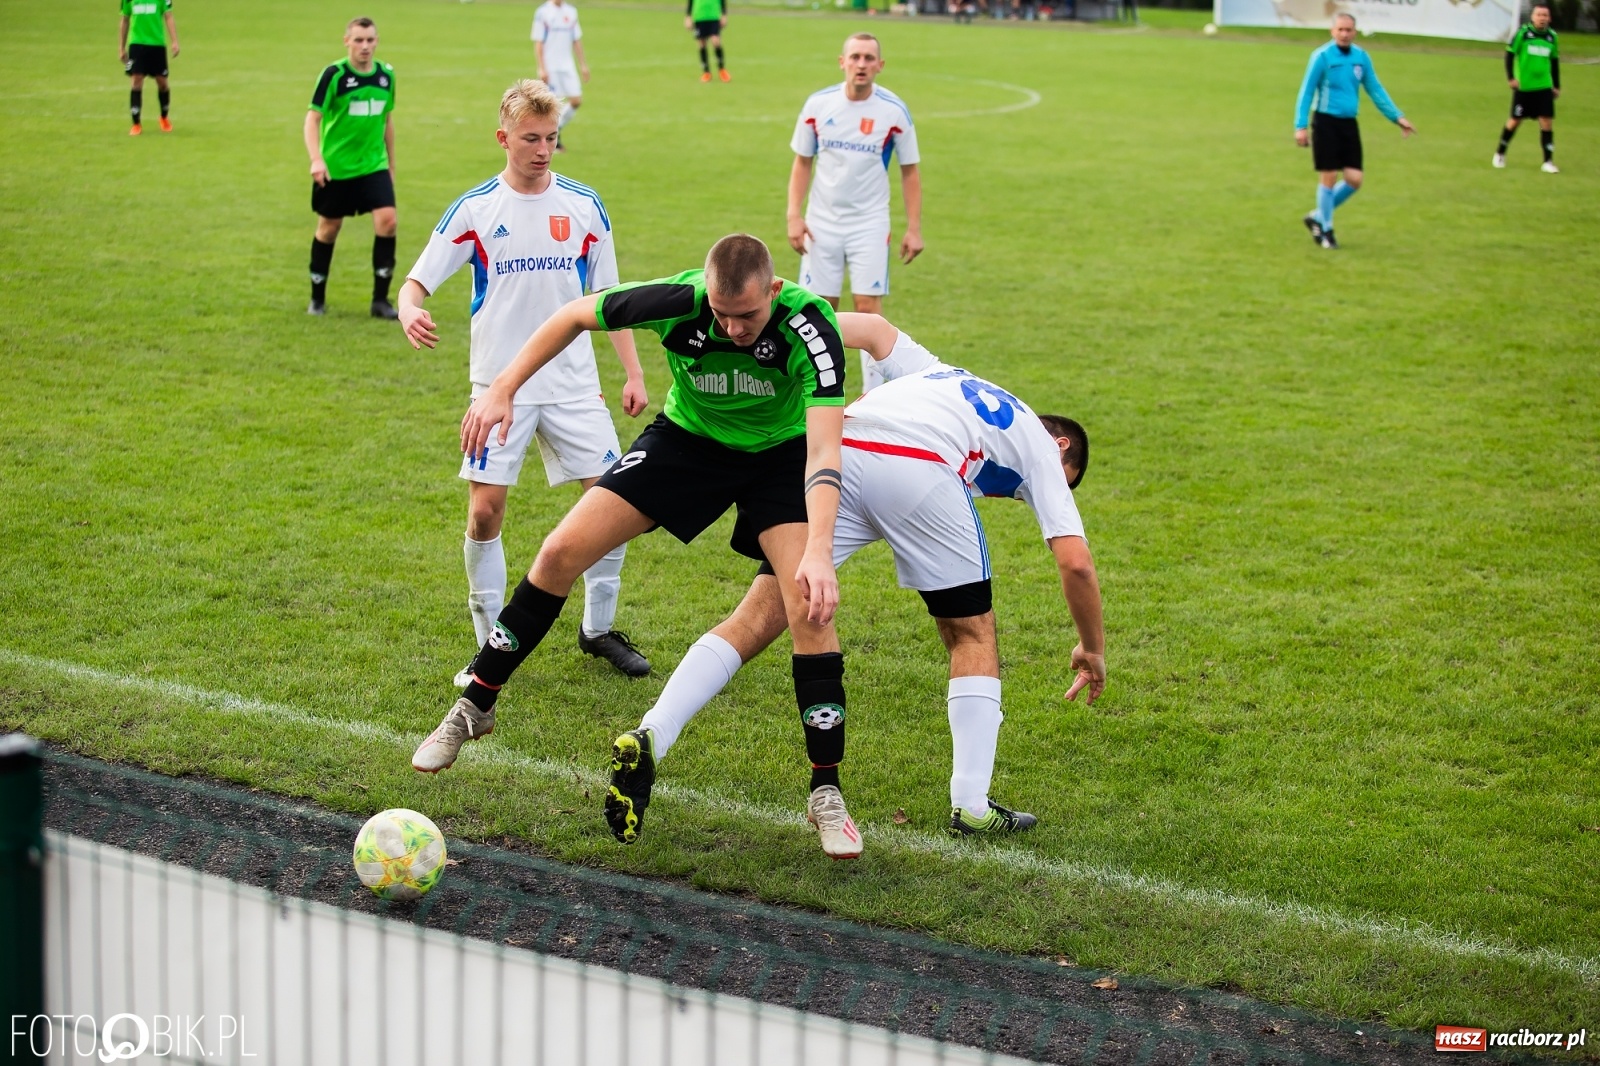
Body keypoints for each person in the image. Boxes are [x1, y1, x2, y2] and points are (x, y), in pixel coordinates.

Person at [410, 235, 867, 861]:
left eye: (747, 316)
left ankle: (825, 793)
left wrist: (818, 548)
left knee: (810, 606)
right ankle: (474, 706)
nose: (732, 328)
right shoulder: (677, 301)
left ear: (774, 289)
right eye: (721, 313)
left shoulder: (811, 326)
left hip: (780, 457)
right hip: (688, 442)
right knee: (558, 551)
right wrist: (503, 387)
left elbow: (823, 451)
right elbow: (574, 314)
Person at [604, 313, 1105, 846]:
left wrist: (778, 334)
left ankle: (651, 734)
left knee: (758, 615)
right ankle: (972, 806)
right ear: (1061, 449)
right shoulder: (1039, 444)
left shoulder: (938, 372)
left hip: (832, 455)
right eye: (1053, 485)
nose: (1017, 495)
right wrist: (1091, 648)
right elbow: (1075, 562)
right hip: (918, 470)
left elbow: (868, 326)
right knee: (971, 634)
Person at [397, 79, 651, 683]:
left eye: (552, 139)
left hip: (572, 385)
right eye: (531, 139)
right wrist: (409, 307)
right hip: (497, 389)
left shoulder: (586, 206)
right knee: (485, 513)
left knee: (612, 503)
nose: (542, 150)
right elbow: (416, 283)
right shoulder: (476, 209)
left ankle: (597, 628)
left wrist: (634, 371)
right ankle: (489, 646)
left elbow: (609, 300)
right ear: (503, 138)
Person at [788, 34, 922, 392]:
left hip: (869, 224)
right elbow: (802, 162)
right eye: (855, 57)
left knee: (866, 310)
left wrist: (914, 228)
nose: (861, 64)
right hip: (821, 224)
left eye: (869, 58)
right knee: (819, 311)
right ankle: (818, 389)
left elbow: (910, 170)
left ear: (880, 65)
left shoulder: (893, 112)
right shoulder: (818, 106)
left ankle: (871, 395)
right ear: (842, 61)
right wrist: (793, 215)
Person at [1293, 13, 1415, 251]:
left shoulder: (1361, 57)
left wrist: (1397, 116)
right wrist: (1300, 126)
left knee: (1354, 180)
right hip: (1325, 122)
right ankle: (1326, 230)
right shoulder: (1321, 56)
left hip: (1349, 124)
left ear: (1355, 32)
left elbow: (1375, 89)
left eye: (1349, 30)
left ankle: (1317, 216)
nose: (1344, 34)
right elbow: (1306, 92)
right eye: (1340, 29)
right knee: (1329, 177)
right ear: (1332, 31)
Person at [304, 18, 400, 319]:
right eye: (358, 40)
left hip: (374, 165)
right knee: (328, 229)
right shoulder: (334, 75)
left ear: (377, 41)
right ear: (346, 41)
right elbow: (312, 119)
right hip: (338, 169)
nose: (365, 46)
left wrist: (391, 165)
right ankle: (317, 298)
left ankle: (380, 300)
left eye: (370, 40)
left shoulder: (386, 76)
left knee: (389, 221)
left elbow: (387, 120)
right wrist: (316, 159)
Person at [1494, 2, 1561, 173]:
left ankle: (1548, 161)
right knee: (1515, 120)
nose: (1542, 18)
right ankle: (1500, 153)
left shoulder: (1552, 37)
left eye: (1545, 15)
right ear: (1532, 17)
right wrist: (1510, 77)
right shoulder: (1523, 34)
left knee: (1546, 121)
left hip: (1544, 86)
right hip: (1524, 87)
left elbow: (1554, 62)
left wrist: (1556, 85)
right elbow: (1509, 54)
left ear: (1549, 18)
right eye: (1539, 15)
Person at [531, 0, 589, 152]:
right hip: (551, 66)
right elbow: (538, 42)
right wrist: (542, 68)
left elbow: (576, 40)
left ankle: (555, 130)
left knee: (576, 100)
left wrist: (583, 64)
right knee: (552, 105)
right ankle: (552, 140)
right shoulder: (542, 12)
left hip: (567, 66)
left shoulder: (571, 12)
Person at [119, 0, 179, 135]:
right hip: (136, 44)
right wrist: (122, 47)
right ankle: (136, 124)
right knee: (136, 80)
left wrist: (174, 41)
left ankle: (164, 118)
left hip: (157, 44)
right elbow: (125, 20)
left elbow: (168, 16)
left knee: (162, 82)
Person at [686, 0, 729, 83]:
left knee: (715, 41)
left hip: (713, 15)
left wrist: (724, 14)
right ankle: (706, 72)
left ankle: (722, 70)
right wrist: (688, 16)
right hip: (699, 16)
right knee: (701, 43)